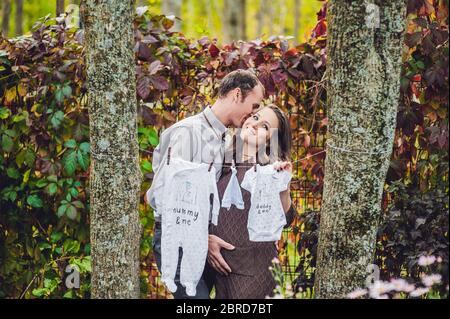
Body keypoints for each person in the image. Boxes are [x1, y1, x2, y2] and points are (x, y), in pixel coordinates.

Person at [146, 69, 265, 299]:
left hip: (205, 241)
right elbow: (166, 200)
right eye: (253, 105)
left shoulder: (224, 138)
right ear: (236, 94)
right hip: (179, 241)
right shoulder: (188, 133)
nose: (252, 114)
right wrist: (203, 238)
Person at [208, 104, 296, 299]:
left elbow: (286, 219)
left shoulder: (268, 170)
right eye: (255, 118)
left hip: (255, 270)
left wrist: (283, 185)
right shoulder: (221, 160)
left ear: (271, 140)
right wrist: (207, 239)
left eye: (265, 126)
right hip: (222, 268)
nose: (255, 125)